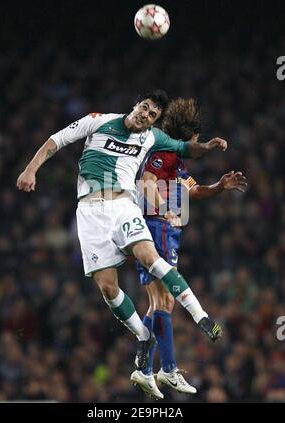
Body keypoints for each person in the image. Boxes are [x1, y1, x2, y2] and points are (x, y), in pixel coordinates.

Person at [17, 90, 228, 376]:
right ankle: (143, 337)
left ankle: (201, 317)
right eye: (145, 108)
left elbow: (186, 149)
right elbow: (57, 140)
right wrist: (31, 169)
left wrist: (209, 146)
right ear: (136, 105)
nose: (146, 115)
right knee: (107, 287)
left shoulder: (153, 137)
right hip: (90, 212)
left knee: (151, 258)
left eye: (153, 114)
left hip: (122, 205)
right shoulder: (99, 121)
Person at [131, 98, 247, 399]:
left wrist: (219, 186)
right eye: (196, 138)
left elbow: (193, 191)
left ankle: (145, 370)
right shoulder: (166, 154)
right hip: (156, 228)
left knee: (159, 303)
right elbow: (147, 183)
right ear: (190, 136)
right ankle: (167, 369)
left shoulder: (176, 162)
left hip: (162, 229)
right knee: (165, 300)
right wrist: (164, 209)